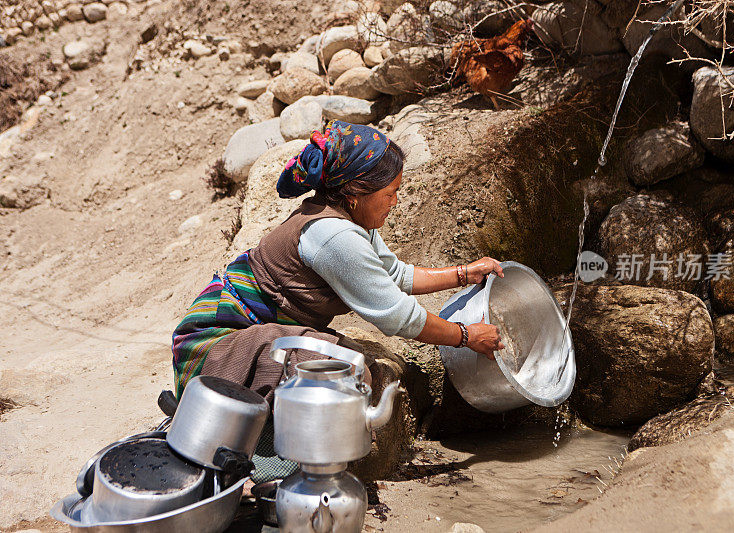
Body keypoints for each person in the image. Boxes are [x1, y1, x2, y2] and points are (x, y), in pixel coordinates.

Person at [171, 119, 504, 406]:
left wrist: (464, 274)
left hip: (259, 331)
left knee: (348, 364)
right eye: (390, 192)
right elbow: (397, 315)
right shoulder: (334, 235)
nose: (395, 201)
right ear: (356, 192)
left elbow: (394, 274)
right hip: (215, 346)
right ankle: (263, 462)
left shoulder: (353, 218)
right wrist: (466, 335)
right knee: (346, 373)